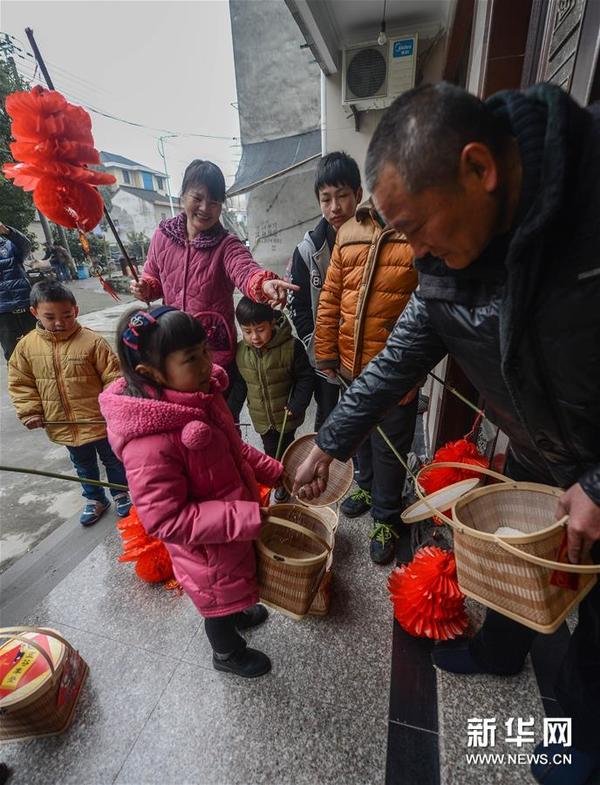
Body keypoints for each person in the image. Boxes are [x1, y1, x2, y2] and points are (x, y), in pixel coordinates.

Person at [292, 82, 600, 785]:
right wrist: (331, 441)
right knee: (518, 564)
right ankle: (501, 650)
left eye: (414, 226)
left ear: (478, 168)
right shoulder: (439, 263)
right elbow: (395, 359)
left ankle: (586, 739)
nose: (413, 248)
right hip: (537, 448)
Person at [99, 306, 283, 678]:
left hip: (230, 528)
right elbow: (165, 519)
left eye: (204, 351)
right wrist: (244, 516)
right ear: (150, 373)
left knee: (235, 586)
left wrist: (274, 472)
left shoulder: (199, 397)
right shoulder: (149, 443)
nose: (206, 364)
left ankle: (238, 611)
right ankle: (227, 653)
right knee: (217, 600)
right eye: (191, 358)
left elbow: (235, 449)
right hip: (207, 548)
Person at [129, 159, 298, 420]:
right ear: (183, 195)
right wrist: (145, 288)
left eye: (215, 202)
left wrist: (264, 284)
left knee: (220, 423)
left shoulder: (226, 244)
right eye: (197, 198)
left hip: (213, 354)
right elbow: (153, 279)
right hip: (172, 349)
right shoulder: (162, 236)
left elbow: (245, 270)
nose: (205, 208)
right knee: (184, 423)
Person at [314, 197, 419, 564]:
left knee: (391, 447)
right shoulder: (349, 230)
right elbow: (330, 297)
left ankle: (386, 517)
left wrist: (412, 373)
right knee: (358, 436)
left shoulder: (420, 229)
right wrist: (326, 352)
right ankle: (366, 486)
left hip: (396, 373)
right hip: (350, 363)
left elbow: (430, 314)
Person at [8, 280, 131, 526]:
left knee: (113, 459)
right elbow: (21, 383)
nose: (59, 322)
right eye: (50, 317)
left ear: (75, 310)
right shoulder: (26, 347)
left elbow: (114, 377)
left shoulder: (92, 342)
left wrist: (113, 406)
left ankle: (120, 493)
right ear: (34, 312)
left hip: (98, 420)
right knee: (82, 464)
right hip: (63, 423)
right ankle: (95, 498)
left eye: (66, 315)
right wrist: (30, 411)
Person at [288, 152, 362, 430]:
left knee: (363, 423)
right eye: (326, 199)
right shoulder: (308, 252)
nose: (335, 207)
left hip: (365, 359)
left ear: (358, 194)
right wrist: (317, 350)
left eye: (342, 196)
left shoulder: (378, 243)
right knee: (328, 422)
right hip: (325, 361)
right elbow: (298, 306)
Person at [231, 298, 314, 502]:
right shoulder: (241, 352)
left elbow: (305, 378)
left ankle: (286, 480)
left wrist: (297, 404)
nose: (254, 337)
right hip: (261, 418)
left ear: (272, 323)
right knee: (270, 450)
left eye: (260, 329)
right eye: (247, 331)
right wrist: (230, 411)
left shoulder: (291, 347)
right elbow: (241, 384)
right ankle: (279, 479)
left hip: (287, 415)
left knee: (287, 449)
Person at [0, 222, 37, 361]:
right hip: (3, 313)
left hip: (26, 306)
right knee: (13, 356)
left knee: (41, 348)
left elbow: (26, 245)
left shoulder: (8, 245)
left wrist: (7, 231)